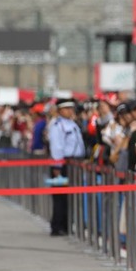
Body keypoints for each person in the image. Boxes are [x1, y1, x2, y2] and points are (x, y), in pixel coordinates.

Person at [47, 98, 85, 236]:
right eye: (66, 109)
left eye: (71, 108)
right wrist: (57, 167)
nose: (70, 111)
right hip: (62, 165)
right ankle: (57, 226)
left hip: (73, 163)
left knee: (68, 196)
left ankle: (66, 224)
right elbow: (57, 147)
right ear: (60, 110)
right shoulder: (58, 126)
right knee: (60, 196)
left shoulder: (72, 124)